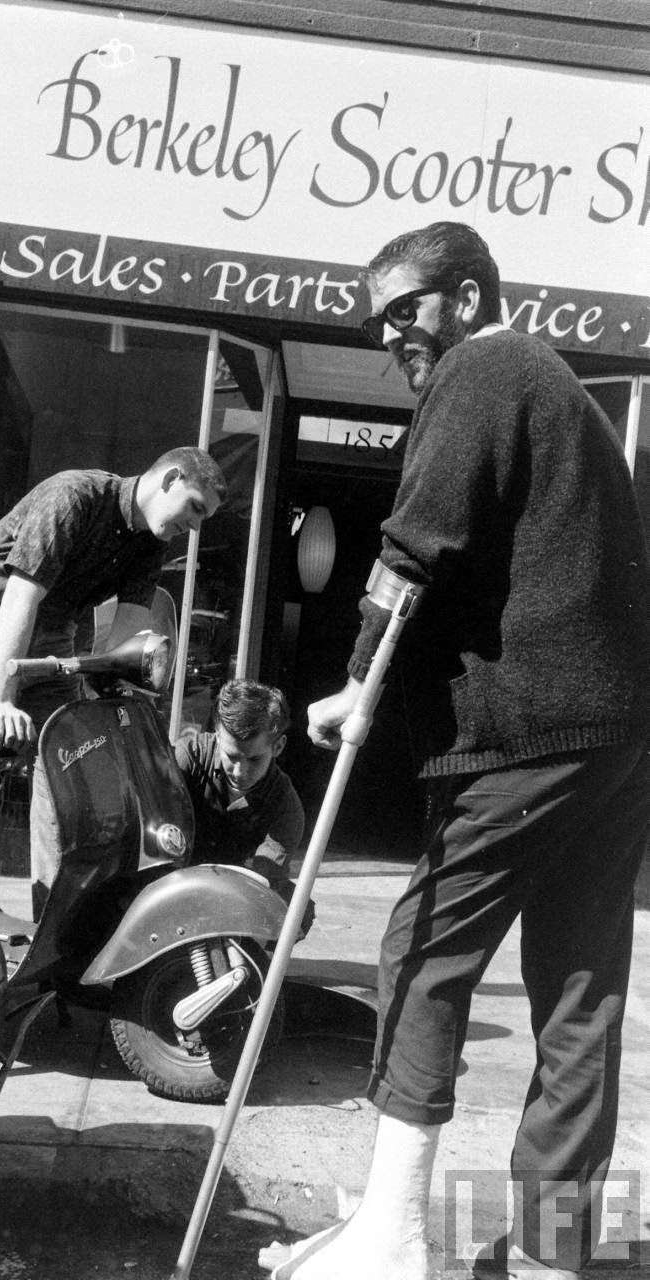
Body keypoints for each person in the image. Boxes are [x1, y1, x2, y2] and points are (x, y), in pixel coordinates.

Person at [258, 222, 650, 1280]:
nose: (392, 335)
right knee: (579, 988)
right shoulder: (557, 388)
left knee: (420, 953)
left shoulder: (481, 369)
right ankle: (547, 1254)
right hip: (612, 736)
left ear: (466, 297)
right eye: (380, 317)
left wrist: (351, 684)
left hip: (523, 729)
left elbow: (411, 545)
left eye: (407, 309)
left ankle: (388, 1240)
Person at [0, 446, 226, 915]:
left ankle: (54, 915)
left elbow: (122, 645)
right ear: (170, 478)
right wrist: (1, 700)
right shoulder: (74, 496)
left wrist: (115, 705)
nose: (195, 526)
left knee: (65, 759)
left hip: (58, 626)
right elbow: (20, 597)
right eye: (195, 508)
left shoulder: (151, 543)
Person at [175, 679, 314, 934]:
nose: (240, 771)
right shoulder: (186, 758)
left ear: (278, 746)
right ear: (217, 735)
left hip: (235, 894)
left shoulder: (286, 807)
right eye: (232, 756)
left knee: (296, 909)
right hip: (174, 880)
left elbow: (263, 880)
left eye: (254, 759)